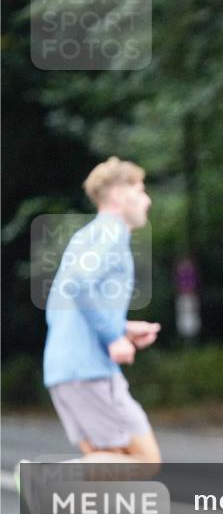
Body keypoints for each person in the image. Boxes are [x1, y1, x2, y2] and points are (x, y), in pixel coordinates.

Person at [40, 156, 162, 467]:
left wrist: (122, 328)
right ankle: (47, 478)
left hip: (63, 370)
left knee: (109, 464)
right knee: (145, 460)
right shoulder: (112, 234)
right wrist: (111, 336)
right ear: (119, 194)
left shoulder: (85, 237)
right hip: (90, 371)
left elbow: (61, 304)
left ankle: (55, 496)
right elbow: (80, 284)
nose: (146, 200)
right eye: (140, 191)